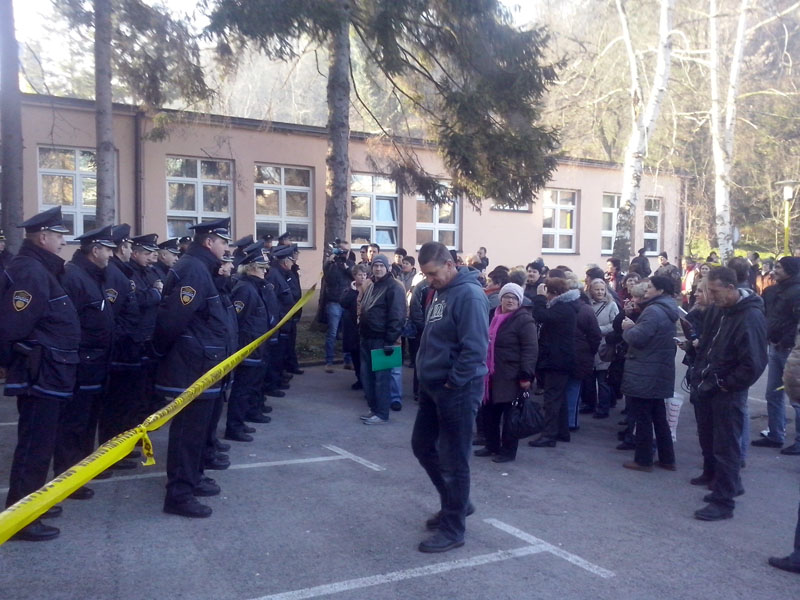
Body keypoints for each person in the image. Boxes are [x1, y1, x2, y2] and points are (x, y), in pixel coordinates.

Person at [1, 206, 80, 541]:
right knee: (34, 447)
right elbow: (13, 328)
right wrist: (18, 362)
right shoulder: (31, 271)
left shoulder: (41, 269)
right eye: (59, 236)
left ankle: (32, 504)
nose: (63, 243)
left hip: (50, 372)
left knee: (39, 446)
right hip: (40, 374)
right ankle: (22, 518)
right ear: (43, 237)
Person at [154, 218, 234, 518]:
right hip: (193, 366)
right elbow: (172, 319)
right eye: (223, 242)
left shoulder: (203, 269)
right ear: (209, 241)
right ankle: (179, 494)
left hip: (205, 364)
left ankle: (193, 478)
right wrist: (162, 352)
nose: (226, 248)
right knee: (188, 433)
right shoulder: (193, 269)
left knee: (199, 433)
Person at [412, 241, 488, 553]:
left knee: (454, 460)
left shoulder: (469, 295)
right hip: (435, 387)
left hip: (457, 389)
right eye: (425, 275)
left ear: (449, 264)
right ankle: (457, 502)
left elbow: (474, 348)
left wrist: (452, 383)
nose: (429, 279)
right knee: (422, 445)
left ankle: (454, 528)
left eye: (432, 273)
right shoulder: (441, 291)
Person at [694, 266, 767, 521]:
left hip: (728, 391)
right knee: (714, 442)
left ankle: (723, 503)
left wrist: (726, 384)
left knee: (726, 447)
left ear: (730, 288)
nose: (711, 296)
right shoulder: (722, 310)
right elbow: (708, 343)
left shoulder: (750, 317)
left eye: (714, 291)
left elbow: (754, 363)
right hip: (711, 385)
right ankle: (729, 486)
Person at [55, 226, 117, 502]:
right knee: (74, 423)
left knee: (87, 420)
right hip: (83, 362)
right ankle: (68, 478)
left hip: (95, 362)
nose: (111, 254)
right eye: (108, 249)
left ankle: (82, 470)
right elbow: (68, 323)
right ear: (95, 251)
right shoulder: (74, 277)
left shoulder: (91, 276)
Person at [619, 276, 678, 472]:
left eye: (650, 287)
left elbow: (638, 338)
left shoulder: (654, 311)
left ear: (660, 291)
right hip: (658, 370)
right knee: (659, 417)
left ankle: (643, 460)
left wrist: (628, 328)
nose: (646, 291)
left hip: (646, 371)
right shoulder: (667, 308)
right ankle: (667, 458)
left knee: (643, 417)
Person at [474, 283, 537, 463]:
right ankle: (492, 445)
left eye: (514, 297)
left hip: (512, 374)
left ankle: (508, 451)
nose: (510, 300)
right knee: (490, 412)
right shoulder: (494, 315)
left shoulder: (524, 320)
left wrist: (526, 375)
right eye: (506, 296)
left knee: (510, 415)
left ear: (520, 300)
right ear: (500, 298)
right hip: (491, 373)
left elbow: (530, 349)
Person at [753, 257, 800, 453]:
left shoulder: (797, 291)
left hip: (791, 350)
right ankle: (775, 434)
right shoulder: (772, 290)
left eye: (779, 267)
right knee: (773, 393)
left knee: (796, 398)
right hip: (775, 347)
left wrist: (786, 341)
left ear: (790, 269)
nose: (775, 270)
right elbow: (768, 317)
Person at [226, 248, 272, 442]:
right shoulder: (245, 288)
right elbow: (236, 320)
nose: (265, 272)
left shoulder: (255, 287)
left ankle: (242, 420)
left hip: (256, 347)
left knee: (250, 387)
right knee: (241, 389)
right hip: (247, 347)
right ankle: (234, 427)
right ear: (252, 268)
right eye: (262, 268)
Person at [529, 272, 578, 448]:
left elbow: (541, 315)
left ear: (554, 293)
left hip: (557, 359)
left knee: (552, 398)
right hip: (560, 358)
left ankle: (549, 435)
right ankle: (561, 432)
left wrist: (540, 298)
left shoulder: (563, 307)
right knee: (559, 397)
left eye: (548, 293)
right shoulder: (567, 306)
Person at [358, 254, 406, 424]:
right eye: (376, 265)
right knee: (368, 378)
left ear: (388, 268)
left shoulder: (394, 287)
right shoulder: (372, 285)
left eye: (381, 266)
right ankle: (374, 409)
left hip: (383, 340)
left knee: (381, 380)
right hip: (367, 338)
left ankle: (382, 413)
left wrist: (390, 340)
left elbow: (398, 316)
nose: (378, 268)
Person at [581, 278, 620, 418]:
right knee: (589, 379)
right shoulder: (586, 305)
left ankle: (603, 407)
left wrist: (598, 329)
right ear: (591, 290)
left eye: (602, 289)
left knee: (603, 379)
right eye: (596, 289)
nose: (599, 292)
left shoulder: (611, 305)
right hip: (589, 346)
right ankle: (589, 404)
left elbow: (615, 325)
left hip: (605, 347)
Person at [322, 248, 354, 373]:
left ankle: (348, 361)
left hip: (347, 302)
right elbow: (327, 276)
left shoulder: (350, 264)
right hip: (334, 301)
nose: (343, 256)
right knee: (332, 333)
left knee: (347, 333)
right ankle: (329, 362)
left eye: (345, 253)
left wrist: (346, 267)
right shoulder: (331, 265)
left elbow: (355, 276)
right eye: (341, 254)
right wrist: (330, 261)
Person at [341, 264, 369, 391]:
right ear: (354, 276)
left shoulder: (370, 288)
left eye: (364, 275)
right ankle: (359, 378)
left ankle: (367, 380)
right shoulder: (349, 289)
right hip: (352, 329)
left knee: (365, 357)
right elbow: (343, 303)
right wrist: (353, 292)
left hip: (365, 328)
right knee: (355, 356)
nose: (362, 277)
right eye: (360, 275)